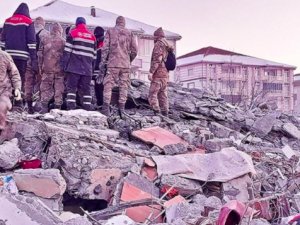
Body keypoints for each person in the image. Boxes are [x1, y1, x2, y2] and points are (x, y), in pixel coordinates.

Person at [98, 16, 137, 117]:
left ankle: (106, 108)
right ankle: (122, 109)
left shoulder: (110, 31)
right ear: (124, 23)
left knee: (108, 85)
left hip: (113, 63)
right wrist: (129, 60)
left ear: (116, 22)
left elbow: (105, 48)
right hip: (125, 65)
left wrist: (103, 62)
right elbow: (135, 51)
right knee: (124, 86)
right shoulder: (130, 33)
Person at [0, 3, 38, 108]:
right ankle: (18, 103)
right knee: (19, 78)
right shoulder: (28, 22)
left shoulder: (8, 20)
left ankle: (6, 101)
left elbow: (2, 39)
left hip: (8, 55)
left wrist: (3, 52)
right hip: (21, 57)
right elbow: (31, 42)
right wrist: (34, 59)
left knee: (7, 78)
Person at [62, 17, 96, 111]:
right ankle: (87, 109)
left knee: (71, 88)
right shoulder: (92, 37)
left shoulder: (73, 33)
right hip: (87, 69)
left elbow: (67, 52)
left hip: (74, 68)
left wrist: (64, 66)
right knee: (86, 89)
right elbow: (94, 56)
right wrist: (91, 70)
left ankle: (71, 108)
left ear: (76, 24)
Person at [38, 22, 65, 113]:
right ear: (60, 31)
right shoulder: (63, 41)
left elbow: (40, 55)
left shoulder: (44, 39)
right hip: (59, 70)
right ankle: (57, 109)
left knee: (45, 88)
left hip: (47, 68)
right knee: (59, 88)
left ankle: (44, 108)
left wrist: (40, 67)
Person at [24, 16, 49, 113]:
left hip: (29, 61)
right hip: (40, 63)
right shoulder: (46, 34)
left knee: (28, 83)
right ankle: (39, 105)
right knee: (41, 83)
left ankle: (28, 105)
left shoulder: (28, 32)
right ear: (43, 23)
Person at [148, 27, 172, 116]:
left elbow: (157, 60)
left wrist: (151, 72)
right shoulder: (167, 45)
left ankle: (156, 112)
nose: (154, 39)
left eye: (154, 37)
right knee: (163, 95)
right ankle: (165, 113)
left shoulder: (159, 44)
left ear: (157, 36)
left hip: (158, 74)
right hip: (165, 75)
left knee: (152, 94)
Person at [0, 49, 22, 130]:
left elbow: (14, 73)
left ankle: (1, 130)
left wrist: (17, 88)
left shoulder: (4, 56)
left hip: (3, 90)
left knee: (2, 107)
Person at [93, 26, 105, 106]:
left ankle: (100, 103)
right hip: (102, 68)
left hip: (98, 68)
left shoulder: (96, 43)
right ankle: (101, 103)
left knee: (98, 87)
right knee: (100, 86)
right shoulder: (104, 42)